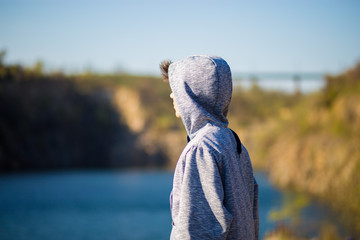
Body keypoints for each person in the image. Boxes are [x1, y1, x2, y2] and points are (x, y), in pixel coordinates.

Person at [160, 55, 259, 240]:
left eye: (177, 89)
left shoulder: (201, 150)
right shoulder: (235, 144)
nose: (172, 95)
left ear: (191, 96)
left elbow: (197, 231)